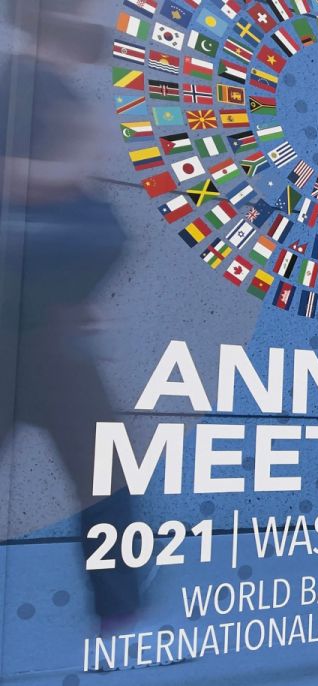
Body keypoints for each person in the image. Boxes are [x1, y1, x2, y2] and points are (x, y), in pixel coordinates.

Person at [0, 0, 139, 638]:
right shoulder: (18, 81)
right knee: (107, 472)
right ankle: (119, 615)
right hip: (22, 325)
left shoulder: (52, 88)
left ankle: (119, 613)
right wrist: (70, 166)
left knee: (107, 471)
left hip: (52, 325)